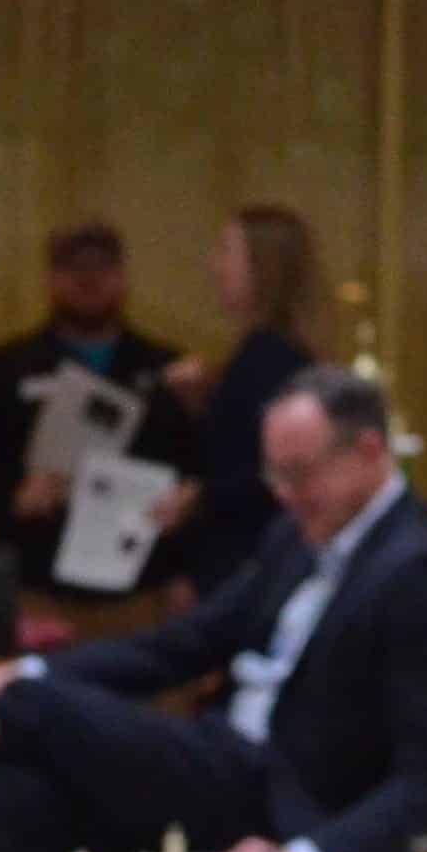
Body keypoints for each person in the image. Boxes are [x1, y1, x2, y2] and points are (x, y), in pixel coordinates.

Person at [0, 367, 427, 852]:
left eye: (299, 473)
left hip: (277, 796)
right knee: (18, 790)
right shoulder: (294, 536)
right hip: (218, 759)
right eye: (275, 475)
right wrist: (22, 669)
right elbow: (182, 645)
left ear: (369, 451)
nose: (285, 495)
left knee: (24, 710)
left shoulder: (423, 572)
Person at [0, 220, 198, 609]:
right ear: (50, 278)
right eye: (73, 268)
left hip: (140, 586)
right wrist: (10, 497)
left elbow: (195, 470)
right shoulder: (1, 369)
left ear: (122, 277)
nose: (88, 279)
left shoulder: (168, 372)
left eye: (101, 268)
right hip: (35, 587)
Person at [160, 204, 323, 598]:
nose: (214, 267)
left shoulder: (274, 358)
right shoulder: (257, 353)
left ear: (262, 266)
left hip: (249, 566)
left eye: (226, 252)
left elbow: (277, 470)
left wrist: (201, 497)